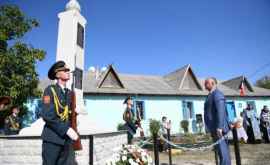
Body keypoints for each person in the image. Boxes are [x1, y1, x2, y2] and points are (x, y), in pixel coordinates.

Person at [40, 61, 78, 165]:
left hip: (66, 140)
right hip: (52, 139)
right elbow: (47, 115)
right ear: (57, 74)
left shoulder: (70, 93)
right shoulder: (49, 91)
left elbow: (69, 116)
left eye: (68, 70)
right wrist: (66, 129)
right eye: (65, 70)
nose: (68, 72)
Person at [204, 77, 231, 165]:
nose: (204, 84)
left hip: (219, 129)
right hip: (214, 128)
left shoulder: (217, 94)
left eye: (206, 83)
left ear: (212, 83)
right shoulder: (210, 95)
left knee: (223, 152)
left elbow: (221, 111)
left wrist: (219, 127)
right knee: (220, 152)